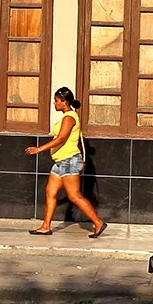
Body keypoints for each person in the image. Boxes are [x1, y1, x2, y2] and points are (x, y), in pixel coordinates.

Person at [26, 85, 107, 238]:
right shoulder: (66, 116)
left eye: (56, 101)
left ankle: (97, 222)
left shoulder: (69, 117)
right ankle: (45, 226)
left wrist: (39, 149)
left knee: (74, 196)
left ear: (64, 102)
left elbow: (61, 138)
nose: (54, 103)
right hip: (60, 161)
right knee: (50, 192)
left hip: (69, 161)